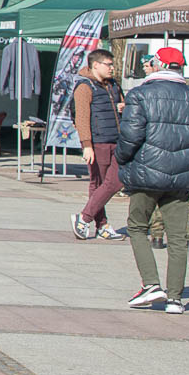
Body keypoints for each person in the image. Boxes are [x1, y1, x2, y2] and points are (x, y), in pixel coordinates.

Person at [115, 46, 189, 313]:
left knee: (137, 227)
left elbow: (130, 136)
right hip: (181, 177)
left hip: (145, 174)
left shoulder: (140, 94)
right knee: (178, 237)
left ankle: (151, 284)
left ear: (158, 64)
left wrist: (121, 159)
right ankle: (175, 299)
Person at [71, 48, 127, 241]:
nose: (112, 68)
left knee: (114, 181)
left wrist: (124, 107)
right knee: (99, 184)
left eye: (112, 65)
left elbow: (123, 105)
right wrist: (87, 145)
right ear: (96, 65)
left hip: (117, 140)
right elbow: (82, 117)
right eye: (108, 64)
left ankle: (85, 217)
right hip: (98, 141)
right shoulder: (85, 86)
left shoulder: (113, 85)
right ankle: (101, 225)